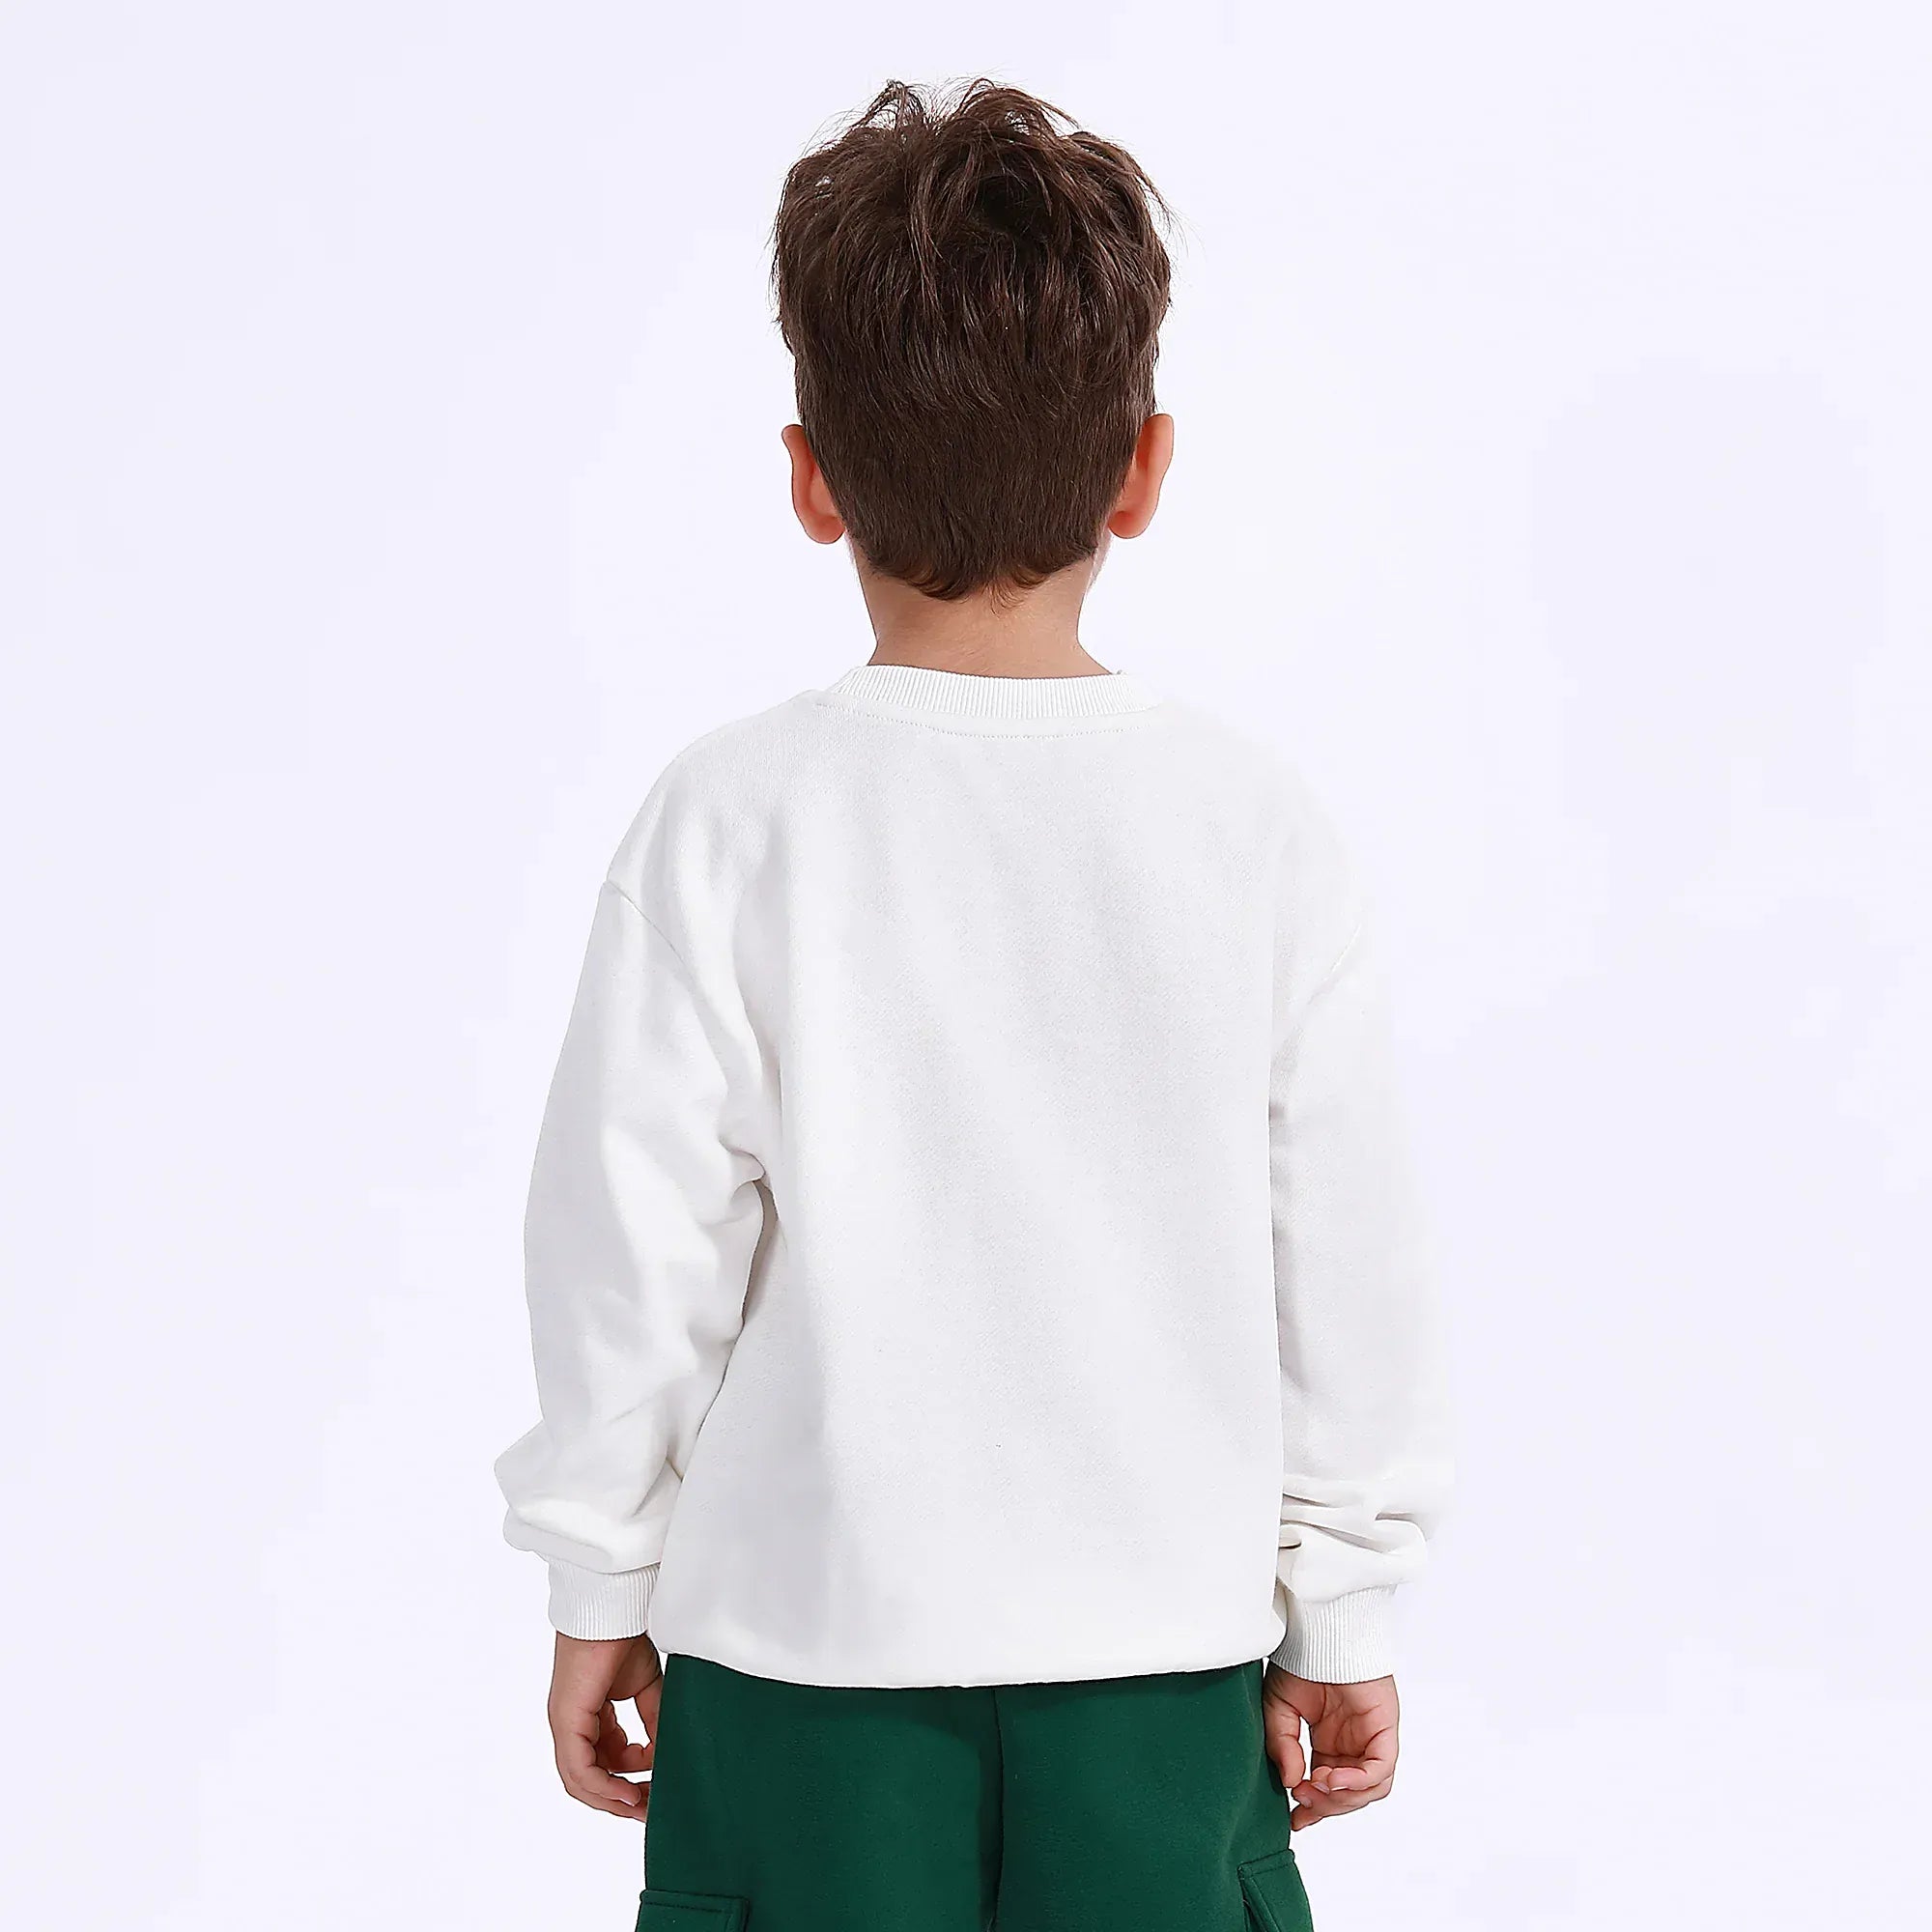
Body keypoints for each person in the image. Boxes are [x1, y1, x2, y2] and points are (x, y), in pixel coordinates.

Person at [496, 77, 1450, 1932]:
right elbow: (1347, 1259)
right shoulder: (1251, 827)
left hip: (802, 1671)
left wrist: (599, 1578)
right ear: (1143, 472)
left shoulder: (733, 818)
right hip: (1160, 1673)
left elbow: (627, 1246)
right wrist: (1342, 1607)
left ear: (811, 479)